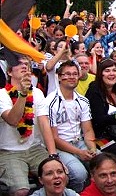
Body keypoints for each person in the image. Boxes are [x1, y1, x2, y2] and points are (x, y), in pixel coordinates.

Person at [0, 52, 60, 196]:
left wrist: (53, 155)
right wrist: (22, 94)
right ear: (9, 72)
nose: (24, 67)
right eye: (19, 64)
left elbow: (44, 123)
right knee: (21, 191)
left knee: (60, 177)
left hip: (35, 149)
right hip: (9, 152)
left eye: (27, 64)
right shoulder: (1, 94)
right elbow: (13, 120)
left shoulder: (38, 93)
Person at [46, 60, 96, 192]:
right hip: (61, 146)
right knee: (79, 174)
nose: (72, 77)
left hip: (80, 142)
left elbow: (88, 130)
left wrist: (92, 148)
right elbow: (54, 138)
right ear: (59, 77)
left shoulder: (83, 101)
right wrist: (79, 153)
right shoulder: (50, 102)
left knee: (101, 162)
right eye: (67, 74)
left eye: (75, 74)